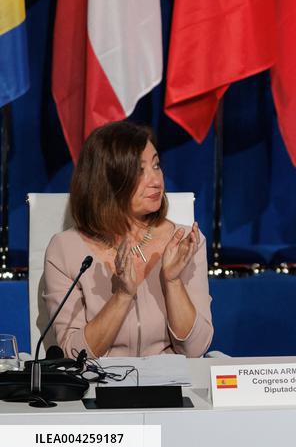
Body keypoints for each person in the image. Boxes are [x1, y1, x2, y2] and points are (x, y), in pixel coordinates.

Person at [42, 122, 213, 358]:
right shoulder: (65, 250)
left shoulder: (185, 242)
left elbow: (196, 350)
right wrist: (122, 295)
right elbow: (73, 353)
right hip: (98, 389)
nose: (156, 180)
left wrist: (172, 282)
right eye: (140, 171)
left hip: (171, 390)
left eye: (156, 165)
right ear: (106, 181)